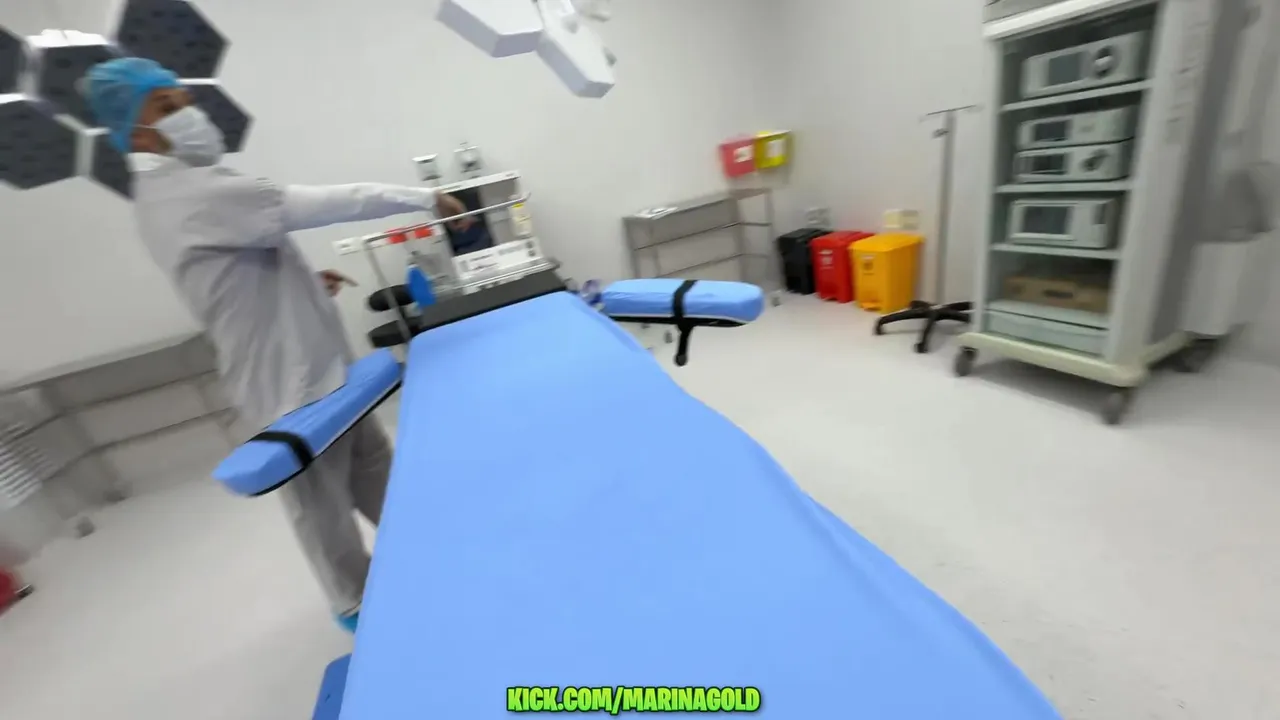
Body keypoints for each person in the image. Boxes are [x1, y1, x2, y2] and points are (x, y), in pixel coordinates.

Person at [84, 57, 471, 633]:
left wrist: (305, 282)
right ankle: (355, 605)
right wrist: (422, 197)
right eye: (166, 106)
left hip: (323, 369)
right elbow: (323, 204)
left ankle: (423, 552)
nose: (188, 112)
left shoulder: (174, 195)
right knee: (322, 504)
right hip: (287, 384)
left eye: (184, 100)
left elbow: (226, 277)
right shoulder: (189, 193)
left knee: (372, 463)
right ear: (136, 132)